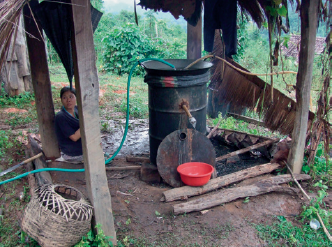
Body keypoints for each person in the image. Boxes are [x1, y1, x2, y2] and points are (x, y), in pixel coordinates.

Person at [55, 86, 83, 163]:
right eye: (65, 98)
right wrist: (87, 124)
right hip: (71, 153)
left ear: (76, 98)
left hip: (81, 147)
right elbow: (74, 137)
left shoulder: (77, 109)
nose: (68, 100)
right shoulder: (60, 116)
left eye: (71, 97)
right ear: (61, 100)